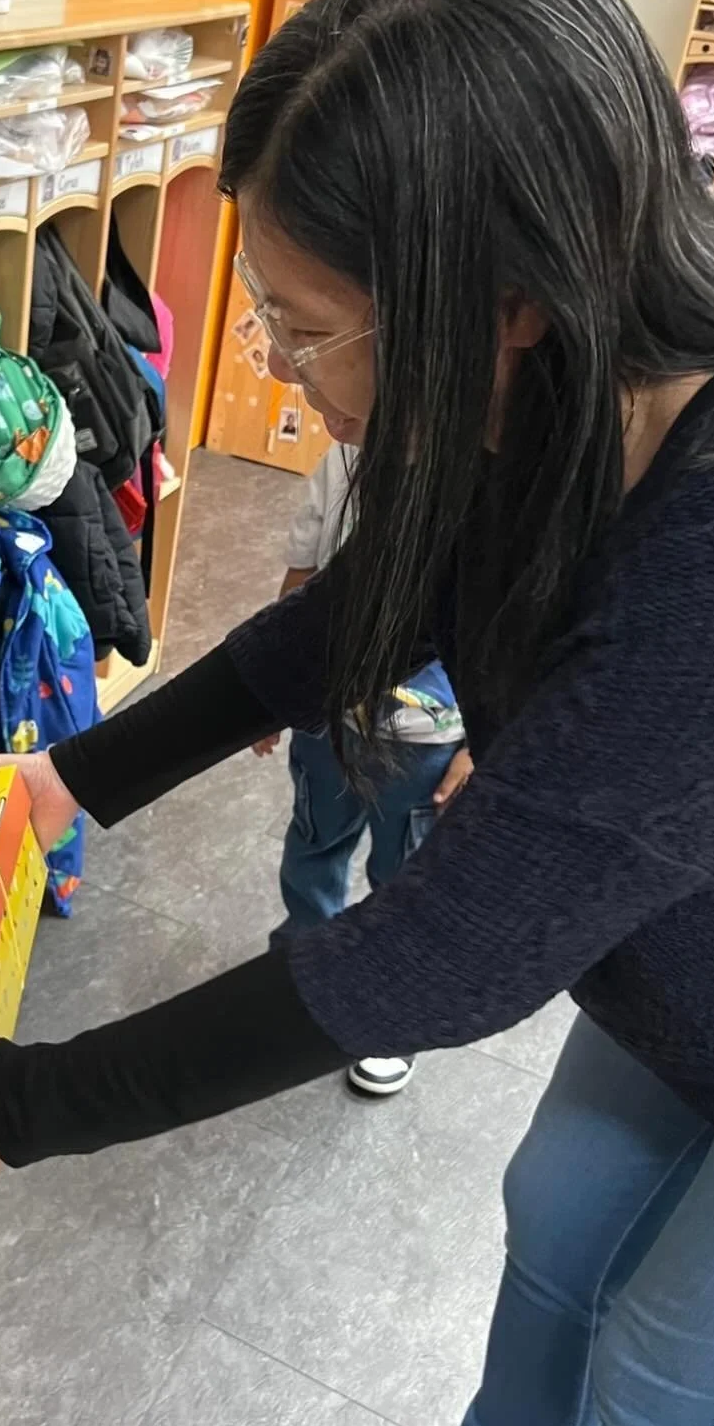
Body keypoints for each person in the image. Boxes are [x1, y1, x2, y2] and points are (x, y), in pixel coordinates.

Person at [0, 0, 714, 1426]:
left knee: (676, 1391)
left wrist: (20, 1104)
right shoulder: (551, 398)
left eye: (304, 324)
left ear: (508, 299)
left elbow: (429, 961)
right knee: (557, 1215)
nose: (271, 363)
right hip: (695, 966)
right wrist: (64, 785)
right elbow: (359, 609)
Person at [260, 439, 472, 1096]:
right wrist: (269, 686)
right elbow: (303, 569)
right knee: (313, 845)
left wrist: (480, 748)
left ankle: (390, 1015)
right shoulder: (346, 454)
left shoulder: (499, 481)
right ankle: (304, 964)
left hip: (428, 739)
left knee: (404, 879)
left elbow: (525, 636)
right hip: (330, 717)